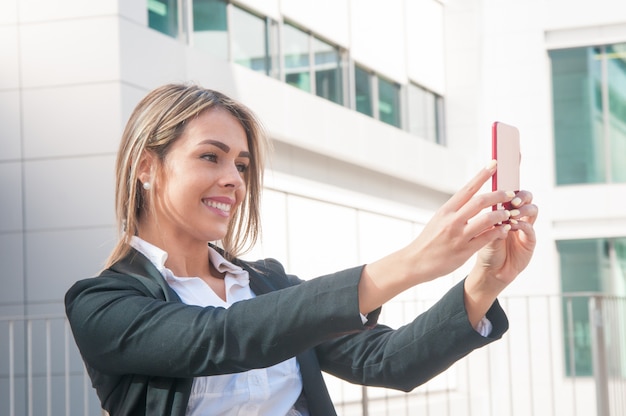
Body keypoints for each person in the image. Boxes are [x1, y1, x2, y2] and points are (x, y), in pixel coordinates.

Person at [65, 83, 538, 416]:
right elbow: (223, 338)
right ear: (147, 167)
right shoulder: (102, 305)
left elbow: (389, 360)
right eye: (211, 156)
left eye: (243, 165)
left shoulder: (268, 284)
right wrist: (412, 263)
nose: (233, 178)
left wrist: (484, 282)